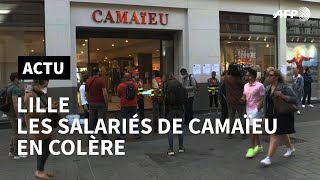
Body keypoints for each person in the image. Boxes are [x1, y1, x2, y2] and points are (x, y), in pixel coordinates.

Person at [260, 69, 297, 166]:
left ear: (277, 76)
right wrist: (264, 116)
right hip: (271, 114)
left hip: (282, 114)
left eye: (271, 75)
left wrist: (283, 96)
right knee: (282, 133)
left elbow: (295, 99)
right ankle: (290, 148)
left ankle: (268, 158)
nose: (269, 77)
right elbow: (265, 103)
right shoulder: (267, 88)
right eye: (268, 75)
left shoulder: (285, 87)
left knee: (275, 135)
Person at [24, 79, 58, 179]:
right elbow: (33, 113)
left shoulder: (39, 94)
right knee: (46, 147)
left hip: (43, 124)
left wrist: (51, 106)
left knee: (43, 148)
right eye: (45, 85)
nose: (46, 87)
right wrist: (49, 108)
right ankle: (39, 171)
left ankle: (40, 170)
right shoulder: (30, 96)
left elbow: (43, 107)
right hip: (37, 126)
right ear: (38, 84)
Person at [240, 68, 264, 158]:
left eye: (246, 74)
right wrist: (242, 99)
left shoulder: (260, 86)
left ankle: (251, 148)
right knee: (255, 130)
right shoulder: (245, 85)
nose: (245, 76)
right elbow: (244, 96)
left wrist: (258, 109)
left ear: (251, 76)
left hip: (256, 110)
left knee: (252, 129)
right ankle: (259, 146)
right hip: (248, 109)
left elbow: (262, 98)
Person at [6, 72, 27, 160]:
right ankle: (17, 153)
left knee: (15, 132)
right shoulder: (14, 88)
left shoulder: (9, 86)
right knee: (17, 134)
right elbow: (15, 103)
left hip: (10, 113)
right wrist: (18, 115)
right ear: (15, 78)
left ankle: (11, 151)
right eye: (19, 78)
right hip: (14, 113)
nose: (20, 80)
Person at [164, 73, 185, 156]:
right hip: (179, 108)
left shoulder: (167, 84)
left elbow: (164, 97)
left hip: (170, 109)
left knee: (170, 129)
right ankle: (181, 147)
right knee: (179, 128)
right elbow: (185, 95)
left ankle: (171, 149)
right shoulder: (179, 84)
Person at [86, 67, 109, 141]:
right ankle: (104, 138)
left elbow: (86, 93)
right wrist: (106, 103)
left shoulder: (88, 81)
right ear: (98, 72)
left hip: (91, 103)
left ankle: (90, 137)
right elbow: (105, 93)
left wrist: (88, 102)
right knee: (101, 121)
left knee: (91, 121)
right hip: (100, 103)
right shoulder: (101, 80)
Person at [224, 63, 246, 139]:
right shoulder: (237, 78)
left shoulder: (226, 77)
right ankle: (243, 133)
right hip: (239, 100)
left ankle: (230, 133)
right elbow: (244, 84)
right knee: (242, 116)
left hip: (230, 100)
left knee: (231, 117)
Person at [117, 73, 140, 139]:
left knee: (124, 119)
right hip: (133, 105)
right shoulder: (135, 85)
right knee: (134, 119)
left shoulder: (121, 85)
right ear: (130, 77)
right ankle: (136, 133)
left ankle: (122, 135)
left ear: (124, 78)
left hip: (124, 105)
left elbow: (119, 95)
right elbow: (137, 93)